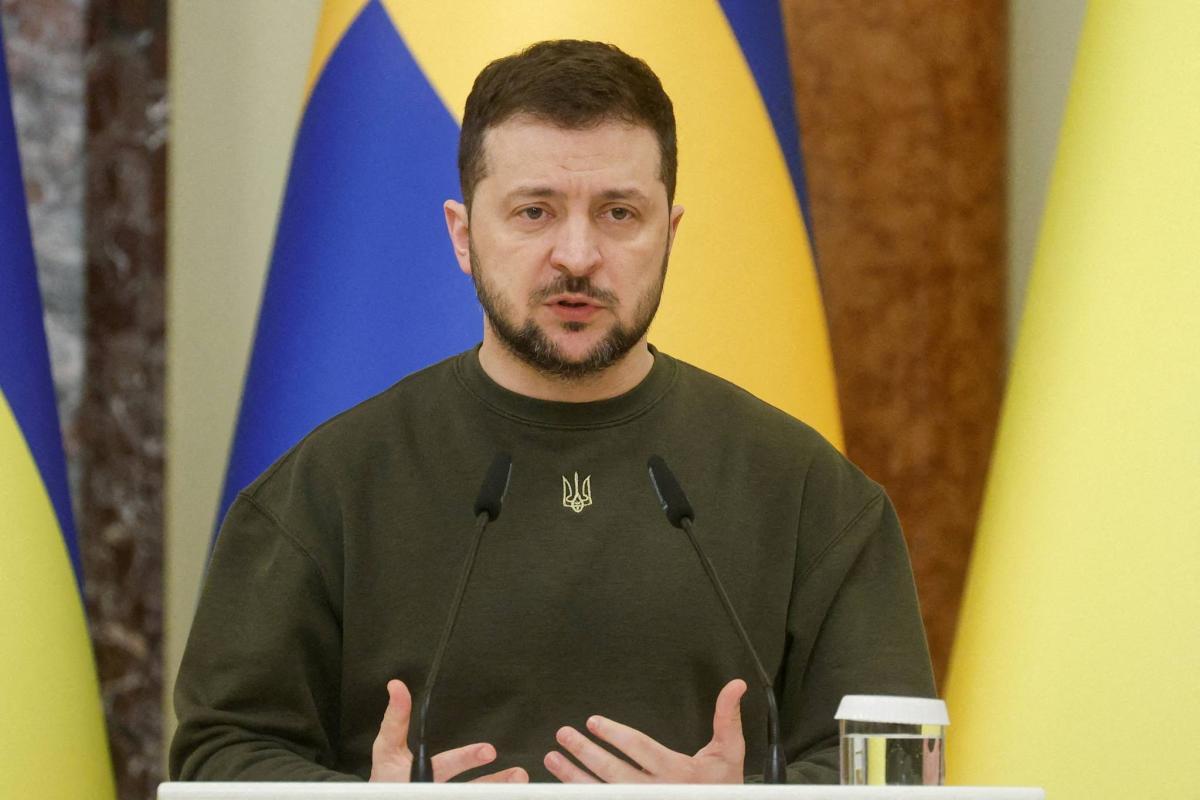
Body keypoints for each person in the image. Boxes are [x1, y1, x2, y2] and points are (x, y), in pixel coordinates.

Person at [170, 39, 935, 785]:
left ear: (669, 236)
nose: (577, 255)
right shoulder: (329, 487)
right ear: (463, 236)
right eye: (534, 211)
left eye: (618, 214)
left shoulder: (809, 493)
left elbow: (901, 769)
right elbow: (219, 756)